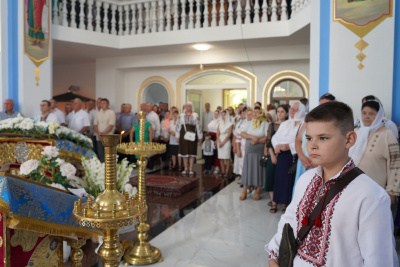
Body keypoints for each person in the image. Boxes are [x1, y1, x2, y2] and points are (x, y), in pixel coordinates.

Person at [265, 101, 398, 267]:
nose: (312, 145)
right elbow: (289, 219)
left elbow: (378, 260)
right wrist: (274, 256)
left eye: (323, 138)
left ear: (349, 139)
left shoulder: (371, 195)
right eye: (309, 138)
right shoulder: (305, 180)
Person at [350, 100, 400, 199]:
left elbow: (395, 163)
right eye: (364, 113)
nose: (367, 116)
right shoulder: (355, 133)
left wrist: (392, 191)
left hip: (376, 192)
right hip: (352, 188)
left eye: (372, 113)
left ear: (379, 115)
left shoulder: (387, 134)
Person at [293, 94, 337, 197]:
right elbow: (298, 140)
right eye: (321, 104)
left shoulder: (334, 124)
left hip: (320, 165)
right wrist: (302, 157)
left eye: (327, 105)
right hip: (304, 163)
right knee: (300, 193)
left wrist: (319, 162)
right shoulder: (309, 120)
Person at [271, 102, 305, 213]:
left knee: (289, 180)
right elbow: (275, 137)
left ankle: (286, 203)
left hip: (293, 156)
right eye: (291, 109)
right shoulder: (285, 123)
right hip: (281, 154)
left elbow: (302, 141)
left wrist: (289, 146)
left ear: (301, 111)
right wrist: (276, 145)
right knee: (279, 179)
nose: (292, 111)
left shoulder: (303, 124)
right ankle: (277, 201)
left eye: (295, 109)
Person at [239, 107, 269, 200]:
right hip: (249, 151)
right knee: (247, 170)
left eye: (257, 112)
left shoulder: (265, 123)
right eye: (254, 112)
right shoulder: (249, 123)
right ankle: (244, 191)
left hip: (259, 151)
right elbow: (242, 134)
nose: (255, 114)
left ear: (261, 114)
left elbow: (267, 137)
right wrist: (252, 136)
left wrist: (258, 140)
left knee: (259, 170)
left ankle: (258, 191)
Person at [265, 105, 288, 213]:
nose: (279, 114)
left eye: (282, 111)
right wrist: (272, 155)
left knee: (283, 179)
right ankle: (273, 202)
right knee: (271, 177)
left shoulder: (290, 125)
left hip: (285, 155)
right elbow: (268, 142)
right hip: (273, 155)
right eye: (278, 111)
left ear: (286, 114)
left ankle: (284, 203)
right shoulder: (272, 125)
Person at [176, 102, 203, 175]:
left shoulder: (195, 115)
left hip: (192, 134)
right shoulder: (181, 115)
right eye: (186, 106)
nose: (187, 107)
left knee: (191, 151)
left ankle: (190, 168)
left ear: (191, 107)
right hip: (183, 134)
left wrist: (200, 137)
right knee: (184, 151)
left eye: (189, 106)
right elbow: (178, 126)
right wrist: (177, 136)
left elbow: (198, 126)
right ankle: (185, 168)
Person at [217, 110, 234, 177]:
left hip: (226, 141)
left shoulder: (230, 124)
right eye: (222, 115)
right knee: (221, 157)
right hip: (220, 139)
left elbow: (229, 134)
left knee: (227, 157)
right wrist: (219, 141)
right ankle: (222, 171)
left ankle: (227, 172)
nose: (223, 116)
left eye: (224, 115)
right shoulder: (219, 123)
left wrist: (223, 142)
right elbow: (217, 133)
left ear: (227, 115)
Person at [207, 110, 221, 174]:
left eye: (217, 114)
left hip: (216, 137)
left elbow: (219, 132)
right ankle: (212, 166)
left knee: (216, 152)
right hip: (210, 137)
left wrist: (217, 139)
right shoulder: (212, 121)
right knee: (211, 152)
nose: (215, 115)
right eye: (214, 114)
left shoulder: (220, 122)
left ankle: (217, 167)